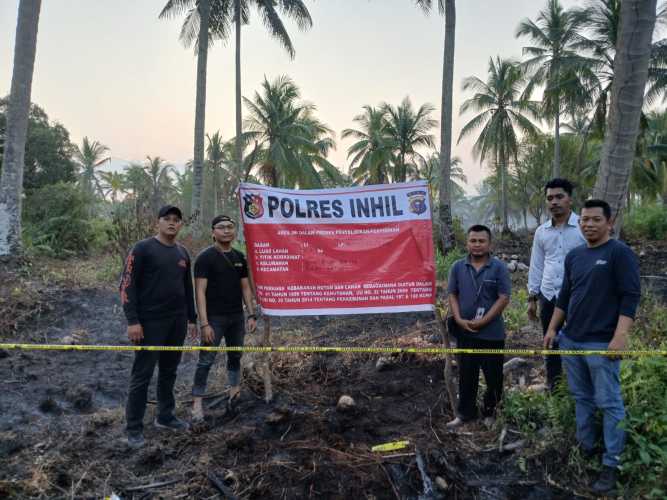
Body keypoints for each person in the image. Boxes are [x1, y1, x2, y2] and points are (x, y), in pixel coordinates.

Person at [544, 199, 640, 495]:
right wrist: (552, 328)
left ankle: (612, 464)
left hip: (602, 343)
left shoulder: (619, 253)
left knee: (609, 403)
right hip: (572, 340)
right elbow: (564, 297)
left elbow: (630, 296)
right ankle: (586, 448)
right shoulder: (575, 256)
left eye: (595, 219)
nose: (588, 224)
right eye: (584, 219)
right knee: (581, 398)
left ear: (609, 222)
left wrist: (620, 336)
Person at [119, 205, 197, 448]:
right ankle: (133, 427)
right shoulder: (142, 249)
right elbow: (126, 285)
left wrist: (192, 319)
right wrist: (133, 321)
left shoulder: (183, 253)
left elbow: (187, 289)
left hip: (176, 322)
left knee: (169, 371)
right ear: (158, 223)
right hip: (150, 323)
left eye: (177, 220)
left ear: (181, 225)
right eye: (167, 219)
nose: (172, 223)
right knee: (142, 373)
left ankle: (165, 416)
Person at [191, 215, 257, 423]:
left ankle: (234, 397)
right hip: (214, 319)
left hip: (236, 317)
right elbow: (199, 292)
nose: (227, 231)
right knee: (206, 361)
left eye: (230, 227)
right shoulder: (205, 257)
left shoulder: (239, 257)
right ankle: (197, 404)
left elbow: (245, 287)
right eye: (221, 227)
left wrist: (251, 313)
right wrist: (204, 323)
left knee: (235, 357)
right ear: (213, 232)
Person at [446, 225, 512, 429]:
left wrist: (484, 321)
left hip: (491, 333)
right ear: (467, 243)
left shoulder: (498, 267)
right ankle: (465, 414)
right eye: (473, 241)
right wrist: (458, 318)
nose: (477, 245)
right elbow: (452, 294)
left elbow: (503, 298)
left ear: (489, 243)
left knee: (493, 377)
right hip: (465, 331)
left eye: (481, 241)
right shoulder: (457, 267)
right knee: (467, 374)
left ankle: (490, 412)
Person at [528, 178, 586, 392]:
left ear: (570, 199)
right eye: (550, 198)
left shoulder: (583, 226)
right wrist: (532, 298)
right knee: (549, 342)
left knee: (578, 341)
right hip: (549, 295)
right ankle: (554, 388)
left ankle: (578, 387)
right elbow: (537, 264)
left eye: (559, 197)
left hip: (578, 296)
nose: (554, 202)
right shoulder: (542, 232)